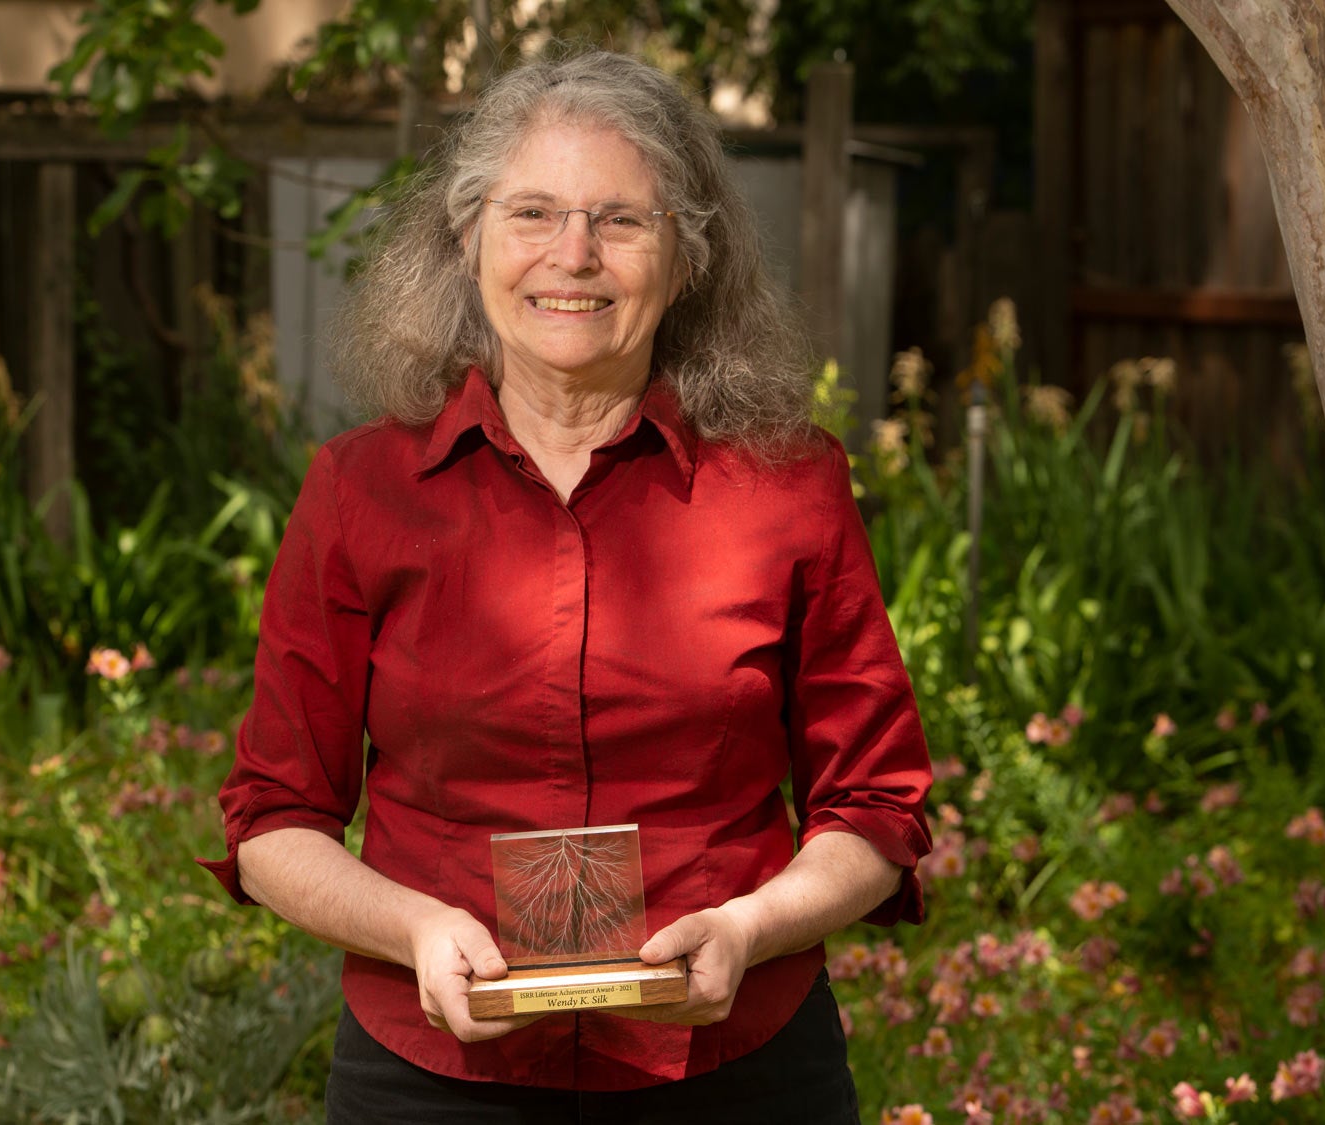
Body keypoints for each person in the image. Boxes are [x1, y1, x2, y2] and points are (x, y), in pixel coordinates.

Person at [197, 48, 933, 1122]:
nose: (573, 255)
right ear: (468, 239)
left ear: (686, 257)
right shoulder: (361, 491)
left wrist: (750, 927)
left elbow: (875, 804)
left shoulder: (789, 484)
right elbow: (272, 820)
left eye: (621, 220)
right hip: (432, 1077)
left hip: (734, 1065)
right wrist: (414, 928)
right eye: (532, 213)